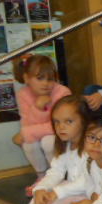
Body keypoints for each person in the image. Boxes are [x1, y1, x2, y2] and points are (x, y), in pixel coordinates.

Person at [12, 54, 71, 195]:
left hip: (64, 136)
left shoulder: (62, 93)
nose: (45, 83)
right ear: (27, 78)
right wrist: (38, 107)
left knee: (48, 141)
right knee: (29, 143)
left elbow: (61, 126)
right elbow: (27, 123)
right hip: (45, 133)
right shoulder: (23, 94)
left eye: (50, 79)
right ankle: (41, 177)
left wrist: (27, 133)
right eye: (40, 78)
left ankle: (57, 176)